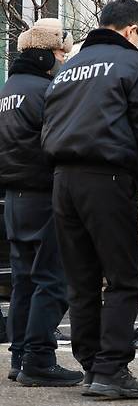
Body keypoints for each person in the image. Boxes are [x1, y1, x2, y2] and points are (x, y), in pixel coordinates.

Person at [42, 0, 138, 398]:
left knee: (82, 280)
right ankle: (112, 370)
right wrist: (136, 179)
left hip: (63, 179)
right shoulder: (133, 64)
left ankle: (92, 366)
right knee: (124, 278)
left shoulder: (68, 68)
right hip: (107, 177)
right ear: (131, 30)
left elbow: (50, 121)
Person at [0, 19, 82, 387]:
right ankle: (39, 358)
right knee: (53, 280)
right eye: (61, 53)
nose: (63, 60)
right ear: (45, 54)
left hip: (13, 198)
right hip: (46, 193)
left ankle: (20, 356)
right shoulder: (48, 90)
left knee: (23, 282)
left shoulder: (7, 90)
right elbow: (62, 140)